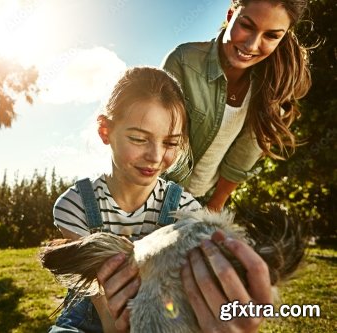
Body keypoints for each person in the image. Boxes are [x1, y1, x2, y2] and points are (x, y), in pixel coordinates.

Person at [48, 66, 273, 333]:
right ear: (105, 130)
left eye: (170, 143)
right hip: (90, 321)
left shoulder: (185, 209)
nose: (155, 156)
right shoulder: (74, 205)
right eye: (139, 138)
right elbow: (104, 310)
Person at [162, 0, 312, 212]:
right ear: (231, 15)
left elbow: (243, 158)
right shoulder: (183, 61)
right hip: (156, 195)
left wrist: (213, 207)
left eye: (271, 36)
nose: (251, 45)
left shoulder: (273, 86)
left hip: (203, 203)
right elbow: (157, 140)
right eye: (247, 26)